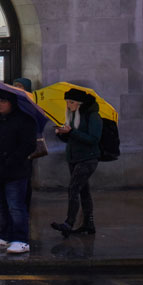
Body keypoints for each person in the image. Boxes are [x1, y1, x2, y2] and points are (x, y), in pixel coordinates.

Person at [0, 90, 39, 253]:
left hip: (14, 169)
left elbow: (28, 144)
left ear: (11, 102)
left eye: (3, 101)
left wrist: (12, 159)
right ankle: (5, 236)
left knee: (16, 205)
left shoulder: (24, 120)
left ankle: (21, 239)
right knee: (1, 205)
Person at [51, 87, 103, 236]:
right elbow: (71, 138)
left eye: (71, 102)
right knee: (83, 191)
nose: (68, 105)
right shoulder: (73, 116)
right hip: (74, 158)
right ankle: (88, 224)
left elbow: (94, 139)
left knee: (73, 188)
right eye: (67, 102)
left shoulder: (92, 116)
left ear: (80, 103)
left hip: (88, 158)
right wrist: (61, 134)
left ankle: (69, 223)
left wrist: (71, 132)